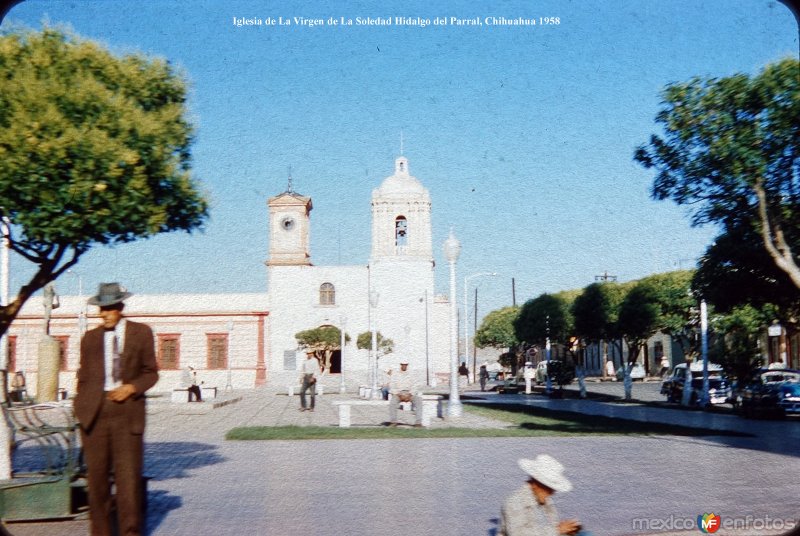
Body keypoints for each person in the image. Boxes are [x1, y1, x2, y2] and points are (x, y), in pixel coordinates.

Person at [74, 283, 159, 536]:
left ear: (120, 308)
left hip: (127, 413)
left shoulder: (141, 332)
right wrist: (81, 406)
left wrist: (131, 388)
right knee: (97, 482)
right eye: (101, 309)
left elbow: (151, 373)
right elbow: (84, 376)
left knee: (128, 480)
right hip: (95, 414)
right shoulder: (89, 338)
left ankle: (130, 532)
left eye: (109, 309)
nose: (104, 314)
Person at [499, 454, 584, 536]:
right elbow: (518, 534)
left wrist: (566, 531)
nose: (552, 492)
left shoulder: (545, 501)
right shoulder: (515, 502)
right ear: (536, 484)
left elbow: (550, 529)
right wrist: (558, 530)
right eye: (549, 488)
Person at [388, 360, 422, 427]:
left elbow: (415, 385)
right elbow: (392, 385)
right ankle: (393, 422)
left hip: (409, 393)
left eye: (405, 364)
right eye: (403, 364)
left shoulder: (412, 374)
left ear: (407, 365)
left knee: (419, 401)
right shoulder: (395, 374)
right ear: (400, 365)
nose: (404, 366)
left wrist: (410, 394)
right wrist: (398, 394)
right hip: (398, 393)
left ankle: (418, 422)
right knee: (393, 402)